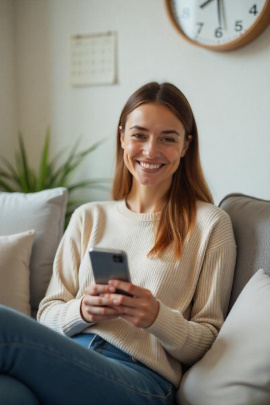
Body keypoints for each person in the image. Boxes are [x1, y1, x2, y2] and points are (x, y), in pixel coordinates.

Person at [0, 82, 236, 405]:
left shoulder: (211, 224)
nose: (150, 151)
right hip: (71, 356)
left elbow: (209, 339)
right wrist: (82, 310)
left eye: (168, 138)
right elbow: (48, 313)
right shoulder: (88, 217)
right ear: (122, 137)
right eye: (139, 135)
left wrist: (156, 317)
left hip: (141, 379)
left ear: (185, 146)